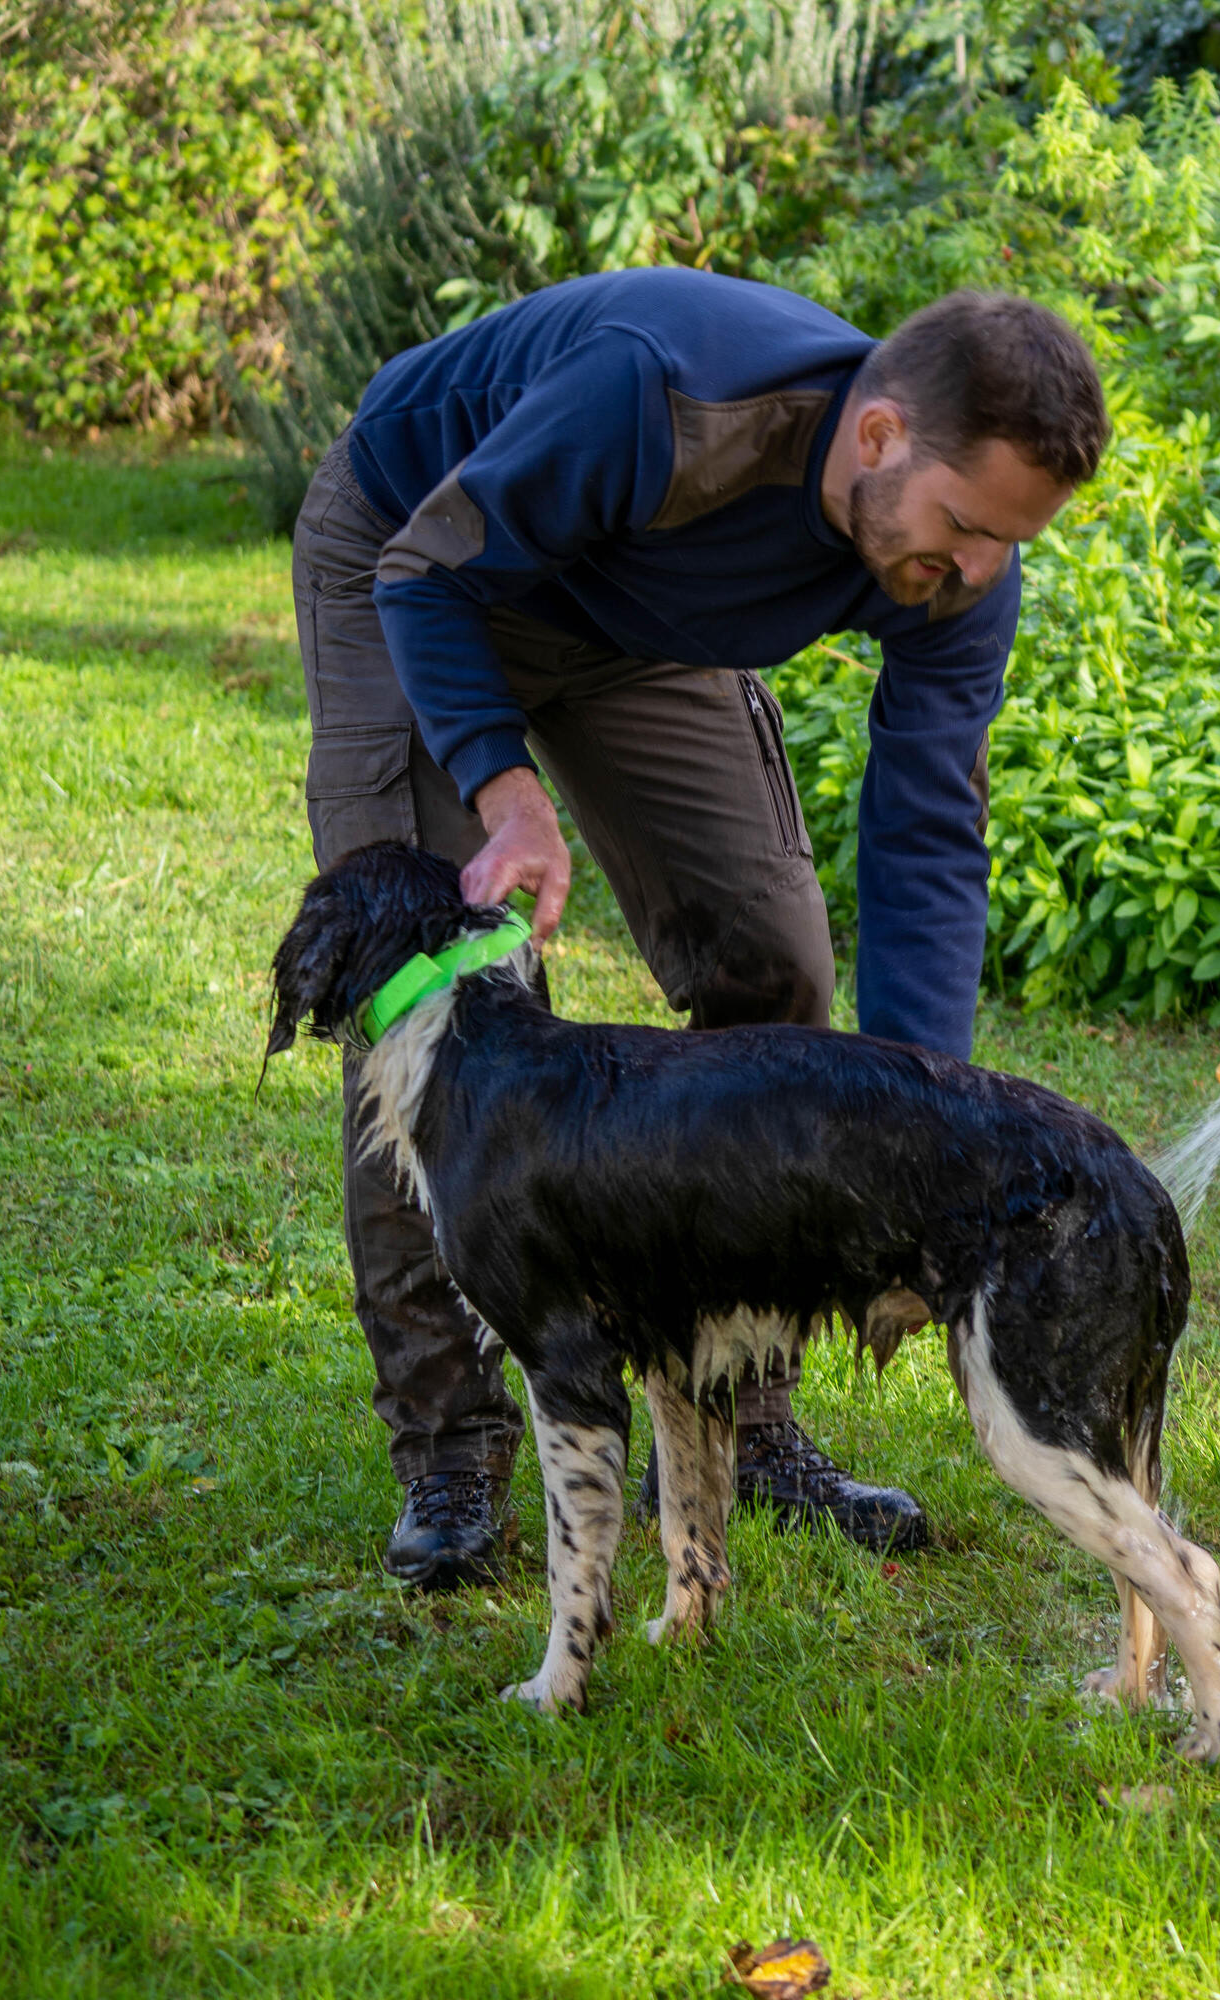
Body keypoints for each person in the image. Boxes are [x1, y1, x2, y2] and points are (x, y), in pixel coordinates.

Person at [291, 270, 1108, 1591]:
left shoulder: (961, 573)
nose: (972, 573)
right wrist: (507, 791)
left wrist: (919, 1142)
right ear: (881, 433)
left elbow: (925, 839)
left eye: (1009, 543)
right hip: (424, 553)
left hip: (634, 628)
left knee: (774, 968)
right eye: (963, 527)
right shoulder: (666, 394)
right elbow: (433, 571)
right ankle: (451, 1449)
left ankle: (741, 1417)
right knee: (440, 1002)